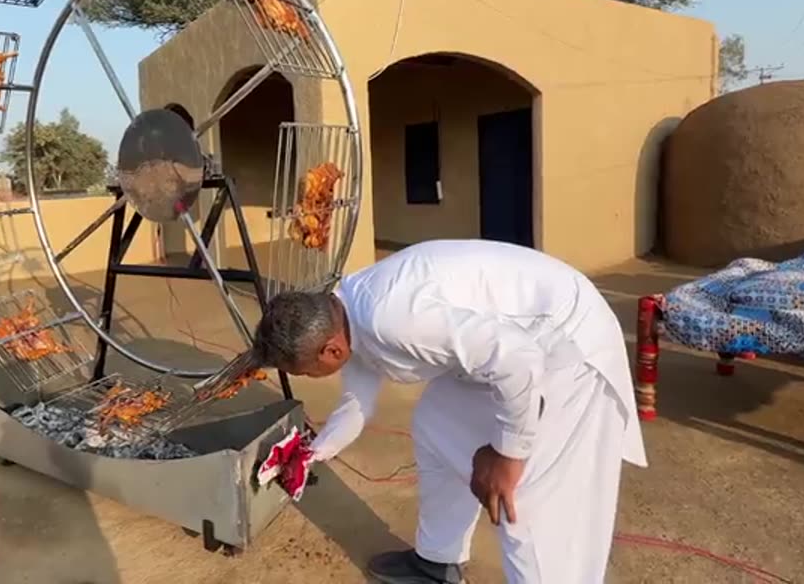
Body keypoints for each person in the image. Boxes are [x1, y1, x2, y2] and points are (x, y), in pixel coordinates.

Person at [252, 239, 647, 584]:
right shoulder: (345, 315)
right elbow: (358, 403)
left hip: (564, 345)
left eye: (303, 371)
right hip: (513, 348)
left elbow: (517, 360)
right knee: (436, 424)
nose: (308, 377)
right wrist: (314, 452)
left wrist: (509, 453)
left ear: (330, 351)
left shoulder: (394, 319)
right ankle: (437, 564)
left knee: (522, 502)